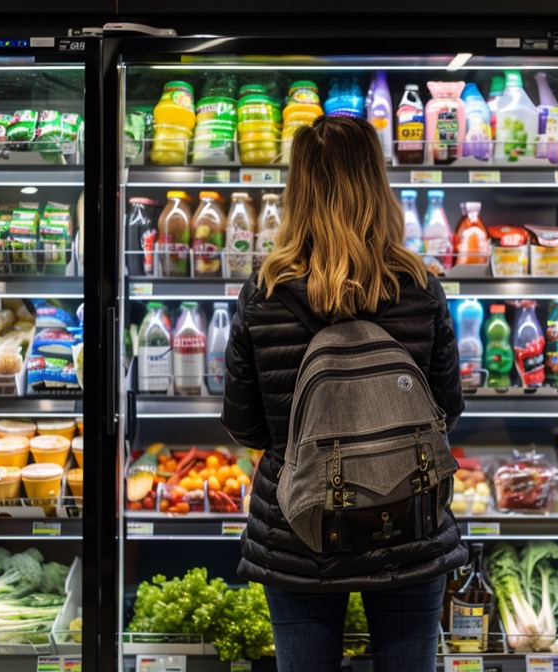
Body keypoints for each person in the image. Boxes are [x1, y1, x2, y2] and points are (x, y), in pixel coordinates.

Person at [221, 114, 467, 672]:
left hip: (300, 532)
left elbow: (246, 425)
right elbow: (446, 410)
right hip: (408, 520)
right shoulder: (420, 286)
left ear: (298, 191)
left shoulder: (263, 292)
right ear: (377, 185)